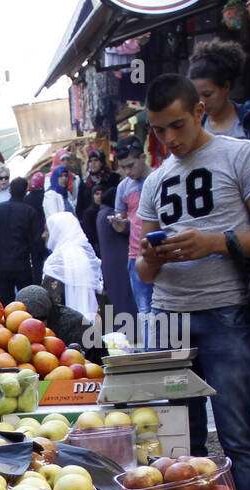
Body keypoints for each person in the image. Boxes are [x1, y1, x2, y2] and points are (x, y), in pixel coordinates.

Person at [136, 73, 250, 490]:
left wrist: (214, 242)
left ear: (200, 111)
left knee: (239, 437)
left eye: (177, 125)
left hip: (226, 312)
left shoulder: (240, 154)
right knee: (184, 447)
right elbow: (142, 273)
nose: (170, 139)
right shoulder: (155, 181)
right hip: (168, 317)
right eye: (159, 130)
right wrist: (151, 257)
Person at [190, 38, 250, 187]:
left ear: (226, 86)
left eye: (207, 94)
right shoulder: (195, 128)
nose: (201, 102)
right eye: (197, 96)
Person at [113, 136, 154, 348]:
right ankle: (151, 355)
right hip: (135, 255)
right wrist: (119, 225)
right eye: (123, 167)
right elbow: (122, 218)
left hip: (161, 254)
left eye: (131, 165)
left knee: (168, 308)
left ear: (143, 157)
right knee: (145, 310)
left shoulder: (158, 178)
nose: (128, 171)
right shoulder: (123, 187)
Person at [0, 177, 44, 304]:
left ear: (10, 190)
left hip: (1, 265)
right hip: (22, 265)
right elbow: (36, 243)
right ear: (26, 191)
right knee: (25, 304)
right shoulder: (30, 212)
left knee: (5, 303)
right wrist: (38, 268)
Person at [43, 211, 104, 320]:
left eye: (47, 230)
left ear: (58, 232)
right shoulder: (86, 258)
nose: (43, 235)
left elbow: (50, 304)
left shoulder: (55, 262)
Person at [97, 186, 138, 323]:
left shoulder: (101, 213)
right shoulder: (111, 216)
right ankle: (130, 330)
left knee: (117, 298)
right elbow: (127, 230)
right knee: (125, 298)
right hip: (120, 263)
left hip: (110, 264)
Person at [78, 149, 119, 230]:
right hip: (91, 223)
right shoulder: (85, 182)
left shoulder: (112, 178)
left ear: (102, 161)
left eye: (96, 160)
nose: (92, 164)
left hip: (110, 221)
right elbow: (80, 206)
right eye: (90, 161)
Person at [80, 185, 105, 255]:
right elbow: (89, 233)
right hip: (95, 247)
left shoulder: (107, 211)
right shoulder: (88, 213)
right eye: (97, 194)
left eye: (102, 194)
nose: (99, 196)